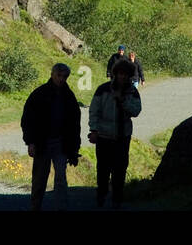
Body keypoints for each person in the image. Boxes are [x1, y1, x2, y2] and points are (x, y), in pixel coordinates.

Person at [20, 63, 82, 211]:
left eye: (64, 77)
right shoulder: (39, 94)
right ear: (52, 74)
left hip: (61, 143)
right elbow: (27, 120)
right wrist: (30, 142)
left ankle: (61, 208)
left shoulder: (69, 97)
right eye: (59, 75)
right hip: (43, 143)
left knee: (61, 179)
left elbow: (75, 124)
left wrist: (74, 148)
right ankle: (35, 207)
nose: (61, 79)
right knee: (39, 179)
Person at [88, 57, 142, 209]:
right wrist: (93, 130)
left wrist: (123, 100)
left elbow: (136, 110)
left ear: (129, 75)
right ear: (115, 74)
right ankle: (101, 195)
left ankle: (117, 198)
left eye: (125, 74)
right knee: (103, 169)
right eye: (120, 73)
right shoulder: (103, 89)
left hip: (122, 136)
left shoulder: (132, 91)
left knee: (120, 169)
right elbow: (94, 111)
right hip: (104, 136)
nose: (122, 76)